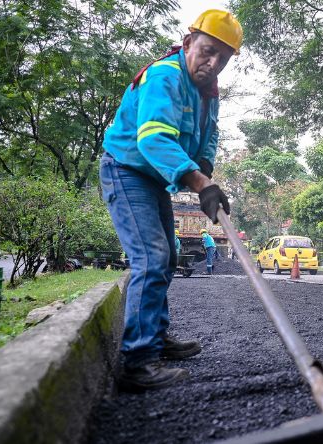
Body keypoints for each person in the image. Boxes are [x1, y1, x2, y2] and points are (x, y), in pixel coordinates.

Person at [99, 9, 240, 392]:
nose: (213, 63)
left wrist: (205, 170)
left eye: (223, 58)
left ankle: (156, 337)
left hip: (153, 180)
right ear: (189, 42)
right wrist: (200, 183)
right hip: (126, 170)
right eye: (208, 51)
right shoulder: (165, 76)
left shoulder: (208, 92)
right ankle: (138, 362)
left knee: (168, 256)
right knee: (151, 257)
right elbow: (154, 139)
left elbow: (210, 135)